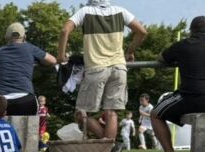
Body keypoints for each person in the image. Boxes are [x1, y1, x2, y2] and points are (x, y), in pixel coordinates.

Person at [58, 0, 146, 142]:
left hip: (96, 68)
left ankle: (105, 145)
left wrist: (61, 56)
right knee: (111, 113)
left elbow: (64, 30)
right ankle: (110, 149)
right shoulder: (121, 11)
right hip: (119, 68)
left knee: (81, 114)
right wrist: (129, 51)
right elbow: (142, 32)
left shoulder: (85, 12)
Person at [151, 16, 205, 152]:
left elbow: (161, 58)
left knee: (155, 114)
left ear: (191, 30)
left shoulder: (183, 45)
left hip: (190, 98)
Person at [0, 22, 57, 116]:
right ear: (24, 37)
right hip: (25, 100)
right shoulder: (29, 48)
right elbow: (53, 60)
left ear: (6, 37)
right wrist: (38, 61)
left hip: (1, 101)